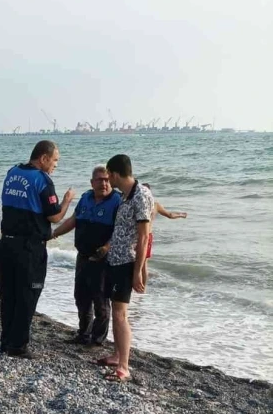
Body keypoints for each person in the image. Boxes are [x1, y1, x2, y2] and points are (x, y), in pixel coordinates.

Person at [0, 140, 74, 357]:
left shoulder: (12, 172)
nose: (55, 165)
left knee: (8, 294)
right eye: (55, 160)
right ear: (44, 158)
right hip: (29, 247)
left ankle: (6, 341)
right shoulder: (42, 180)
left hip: (6, 243)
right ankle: (18, 346)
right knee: (28, 295)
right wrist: (67, 201)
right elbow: (55, 216)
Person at [50, 165, 121, 345]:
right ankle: (83, 334)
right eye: (99, 180)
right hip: (83, 256)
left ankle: (97, 340)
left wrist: (107, 246)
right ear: (92, 182)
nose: (104, 183)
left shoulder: (118, 201)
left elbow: (122, 231)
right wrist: (52, 234)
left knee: (101, 301)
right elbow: (73, 220)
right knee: (81, 297)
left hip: (103, 259)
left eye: (106, 179)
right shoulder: (85, 198)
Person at [101, 154, 155, 382]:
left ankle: (124, 366)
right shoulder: (125, 195)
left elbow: (144, 237)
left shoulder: (141, 195)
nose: (107, 180)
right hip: (115, 259)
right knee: (115, 310)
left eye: (108, 175)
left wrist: (138, 270)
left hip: (127, 262)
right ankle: (116, 354)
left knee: (121, 314)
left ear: (114, 173)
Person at [140, 182, 187, 287]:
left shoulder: (153, 205)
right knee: (141, 264)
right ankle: (138, 288)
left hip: (145, 236)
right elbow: (169, 215)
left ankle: (142, 289)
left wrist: (180, 214)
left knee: (142, 264)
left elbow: (169, 215)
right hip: (140, 236)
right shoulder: (154, 205)